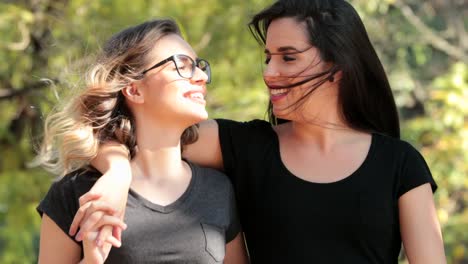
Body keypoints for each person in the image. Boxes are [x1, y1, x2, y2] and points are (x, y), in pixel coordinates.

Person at [70, 0, 446, 263]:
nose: (269, 72)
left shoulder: (400, 164)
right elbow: (127, 129)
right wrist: (118, 173)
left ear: (337, 65)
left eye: (288, 57)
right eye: (267, 57)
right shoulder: (245, 146)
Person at [35, 18, 249, 264]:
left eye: (199, 66)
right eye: (182, 65)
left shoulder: (219, 190)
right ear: (134, 90)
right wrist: (93, 260)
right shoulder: (76, 193)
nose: (201, 76)